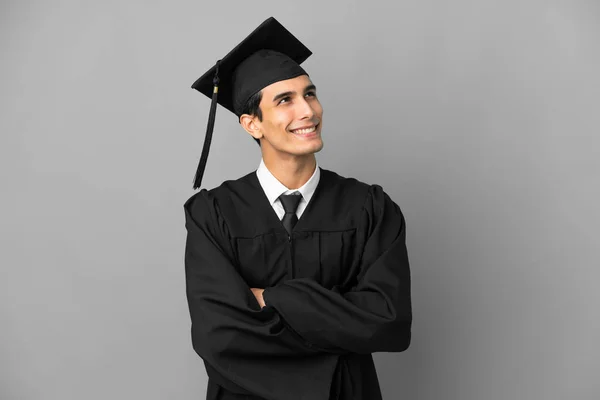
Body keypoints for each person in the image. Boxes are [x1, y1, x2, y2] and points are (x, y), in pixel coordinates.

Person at [184, 17, 412, 400]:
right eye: (285, 100)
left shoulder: (370, 208)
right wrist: (336, 323)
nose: (308, 111)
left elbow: (388, 322)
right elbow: (217, 335)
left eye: (310, 94)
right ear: (251, 124)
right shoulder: (213, 213)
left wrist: (272, 299)